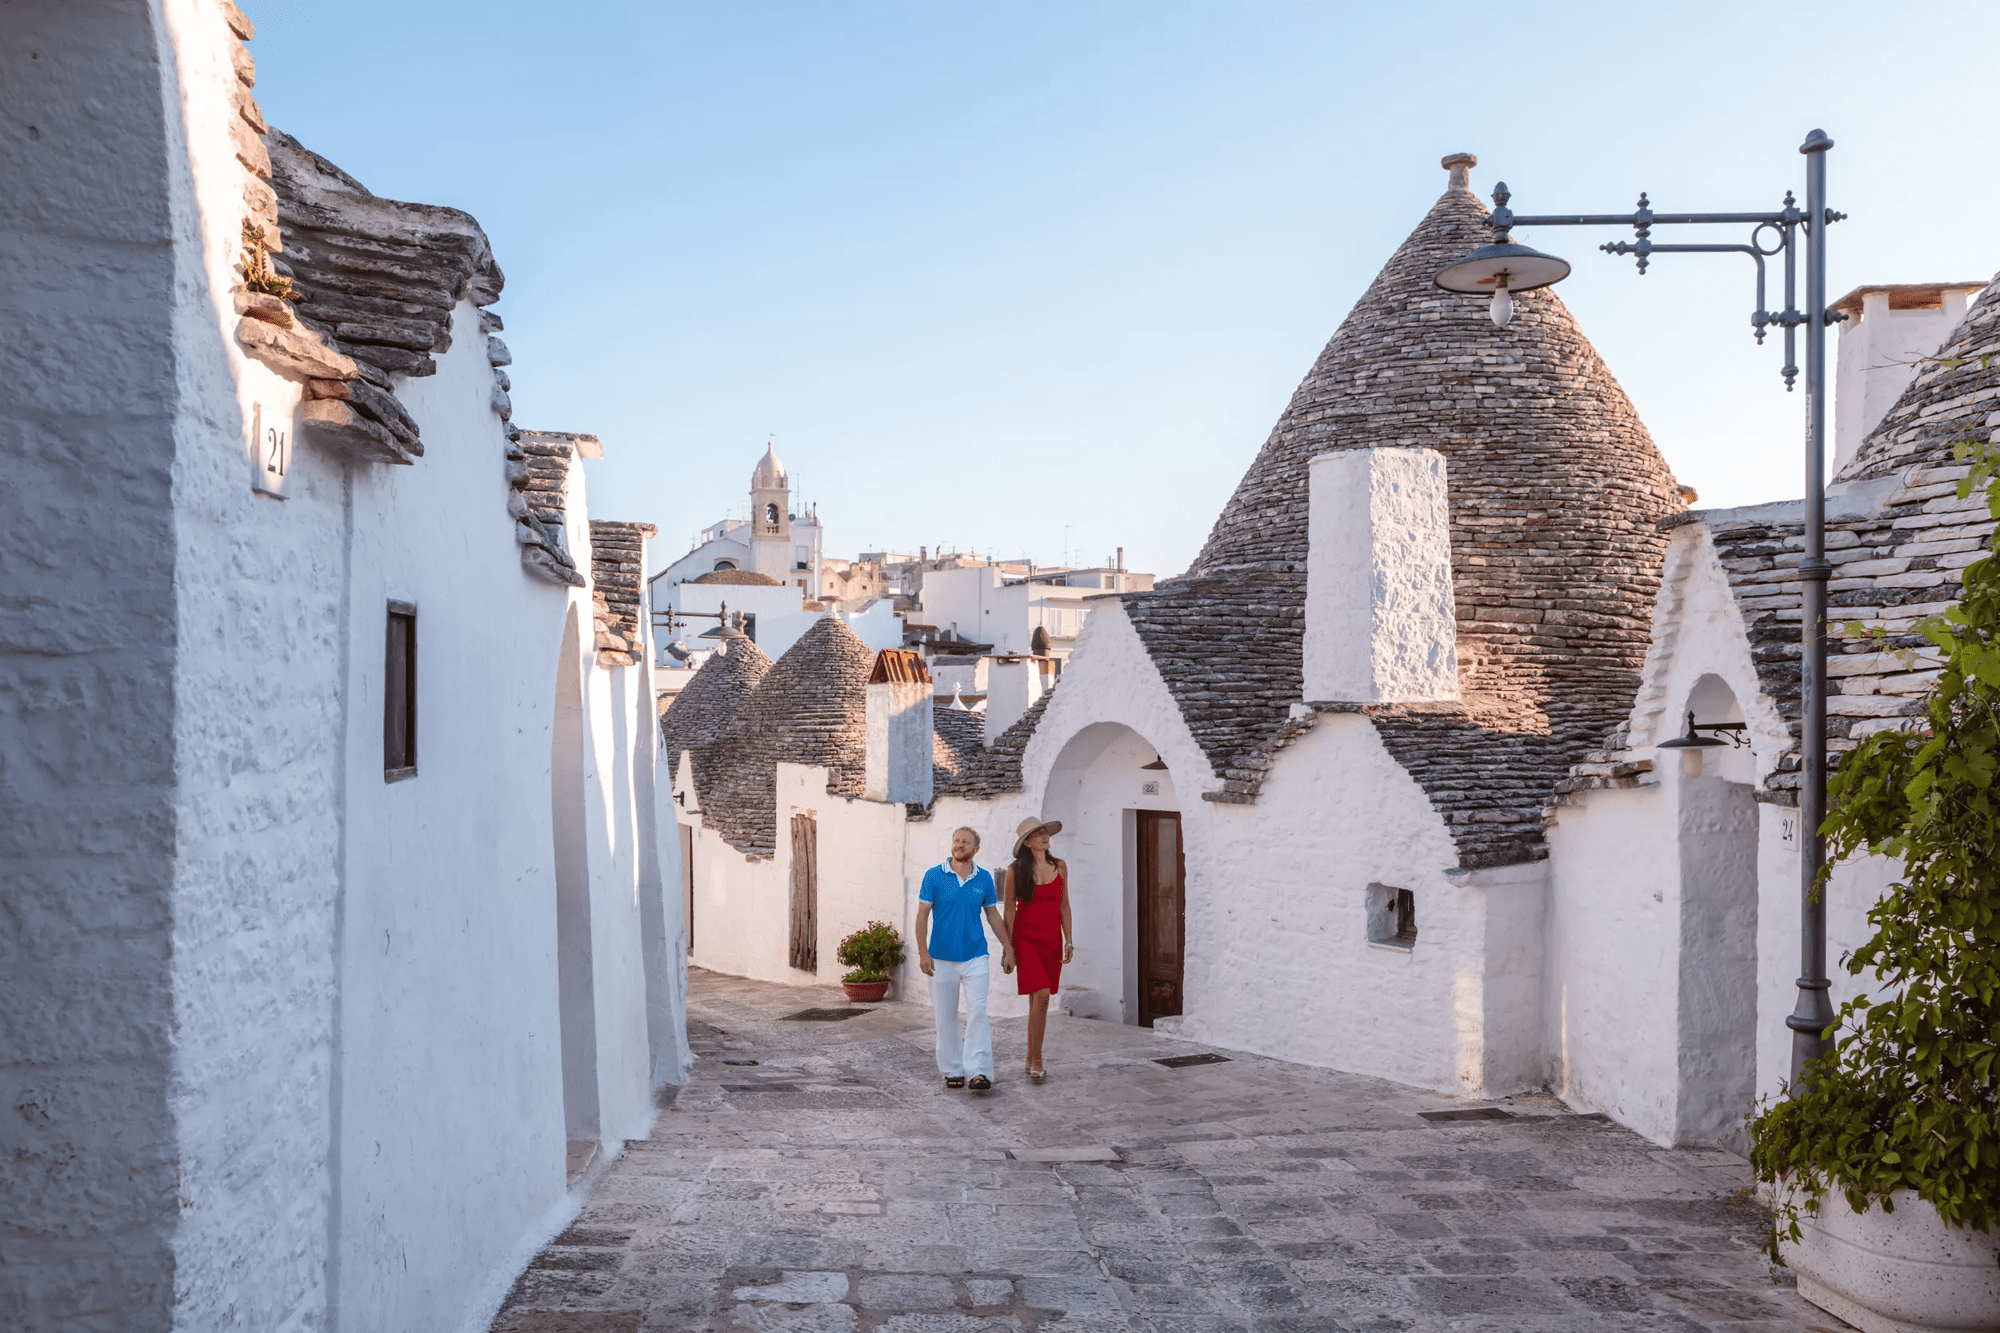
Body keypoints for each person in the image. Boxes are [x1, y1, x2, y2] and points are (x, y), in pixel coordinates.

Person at [916, 826, 1014, 1091]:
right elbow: (922, 916)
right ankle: (953, 1069)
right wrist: (923, 953)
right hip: (941, 958)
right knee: (945, 1015)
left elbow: (993, 915)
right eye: (956, 840)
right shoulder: (934, 876)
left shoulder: (983, 879)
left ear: (975, 848)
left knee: (978, 1012)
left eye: (965, 841)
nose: (959, 845)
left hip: (976, 956)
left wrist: (1009, 949)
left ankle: (979, 1072)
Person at [1001, 817, 1073, 1083]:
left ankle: (1030, 1056)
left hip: (1052, 939)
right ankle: (1038, 1059)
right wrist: (1008, 949)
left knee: (1038, 1001)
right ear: (1027, 842)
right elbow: (1009, 911)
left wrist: (1069, 940)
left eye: (1045, 833)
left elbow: (1065, 905)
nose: (1044, 837)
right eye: (1038, 834)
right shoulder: (1014, 871)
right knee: (1041, 995)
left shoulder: (1060, 866)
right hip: (1026, 939)